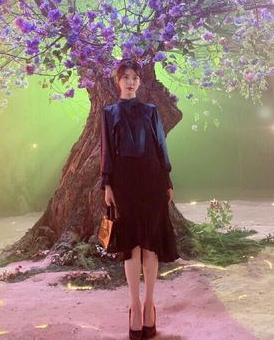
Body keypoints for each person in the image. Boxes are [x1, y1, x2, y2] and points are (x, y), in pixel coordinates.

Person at [99, 58, 179, 340]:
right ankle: (134, 306)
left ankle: (149, 305)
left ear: (140, 81)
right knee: (132, 245)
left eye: (135, 77)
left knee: (150, 245)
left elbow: (161, 145)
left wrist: (167, 180)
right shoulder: (109, 113)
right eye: (125, 77)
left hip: (152, 179)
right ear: (118, 81)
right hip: (124, 182)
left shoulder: (151, 111)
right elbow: (107, 151)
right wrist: (107, 184)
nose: (130, 82)